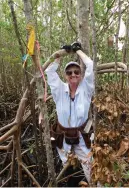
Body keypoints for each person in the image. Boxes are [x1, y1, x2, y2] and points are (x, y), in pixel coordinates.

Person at [45, 42, 94, 184]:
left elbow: (90, 65)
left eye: (76, 72)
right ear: (65, 76)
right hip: (63, 138)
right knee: (68, 167)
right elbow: (49, 71)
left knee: (90, 169)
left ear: (80, 74)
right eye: (69, 72)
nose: (73, 74)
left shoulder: (86, 89)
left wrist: (78, 51)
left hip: (82, 138)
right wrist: (60, 54)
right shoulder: (59, 90)